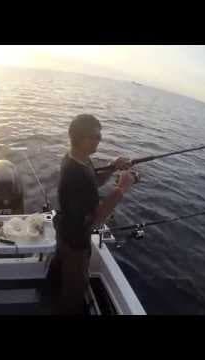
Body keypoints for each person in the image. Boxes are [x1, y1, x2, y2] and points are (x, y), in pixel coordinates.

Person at [49, 114, 138, 314]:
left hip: (64, 230)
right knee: (74, 292)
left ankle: (53, 293)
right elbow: (97, 218)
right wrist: (122, 188)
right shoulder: (77, 174)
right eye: (94, 136)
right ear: (79, 138)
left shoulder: (76, 159)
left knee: (60, 273)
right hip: (75, 242)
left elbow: (93, 180)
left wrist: (113, 166)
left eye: (100, 136)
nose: (99, 140)